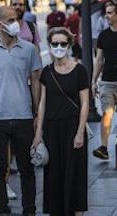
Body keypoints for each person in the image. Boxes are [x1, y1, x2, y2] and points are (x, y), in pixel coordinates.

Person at [0, 6, 42, 216]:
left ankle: (29, 210)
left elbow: (36, 82)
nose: (16, 23)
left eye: (17, 19)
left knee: (27, 168)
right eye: (11, 20)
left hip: (23, 116)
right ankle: (2, 210)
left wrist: (37, 114)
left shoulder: (29, 49)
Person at [32, 27, 88, 216]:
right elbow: (42, 104)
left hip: (73, 128)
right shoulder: (47, 72)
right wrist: (38, 133)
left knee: (75, 173)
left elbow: (85, 104)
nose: (58, 47)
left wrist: (80, 132)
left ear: (69, 45)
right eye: (55, 44)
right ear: (49, 45)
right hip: (51, 129)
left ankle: (77, 213)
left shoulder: (80, 71)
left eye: (63, 43)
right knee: (53, 175)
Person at [91, 1, 117, 160]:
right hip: (107, 81)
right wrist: (93, 81)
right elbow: (99, 59)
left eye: (110, 13)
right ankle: (104, 147)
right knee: (107, 114)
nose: (107, 16)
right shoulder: (103, 35)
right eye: (106, 13)